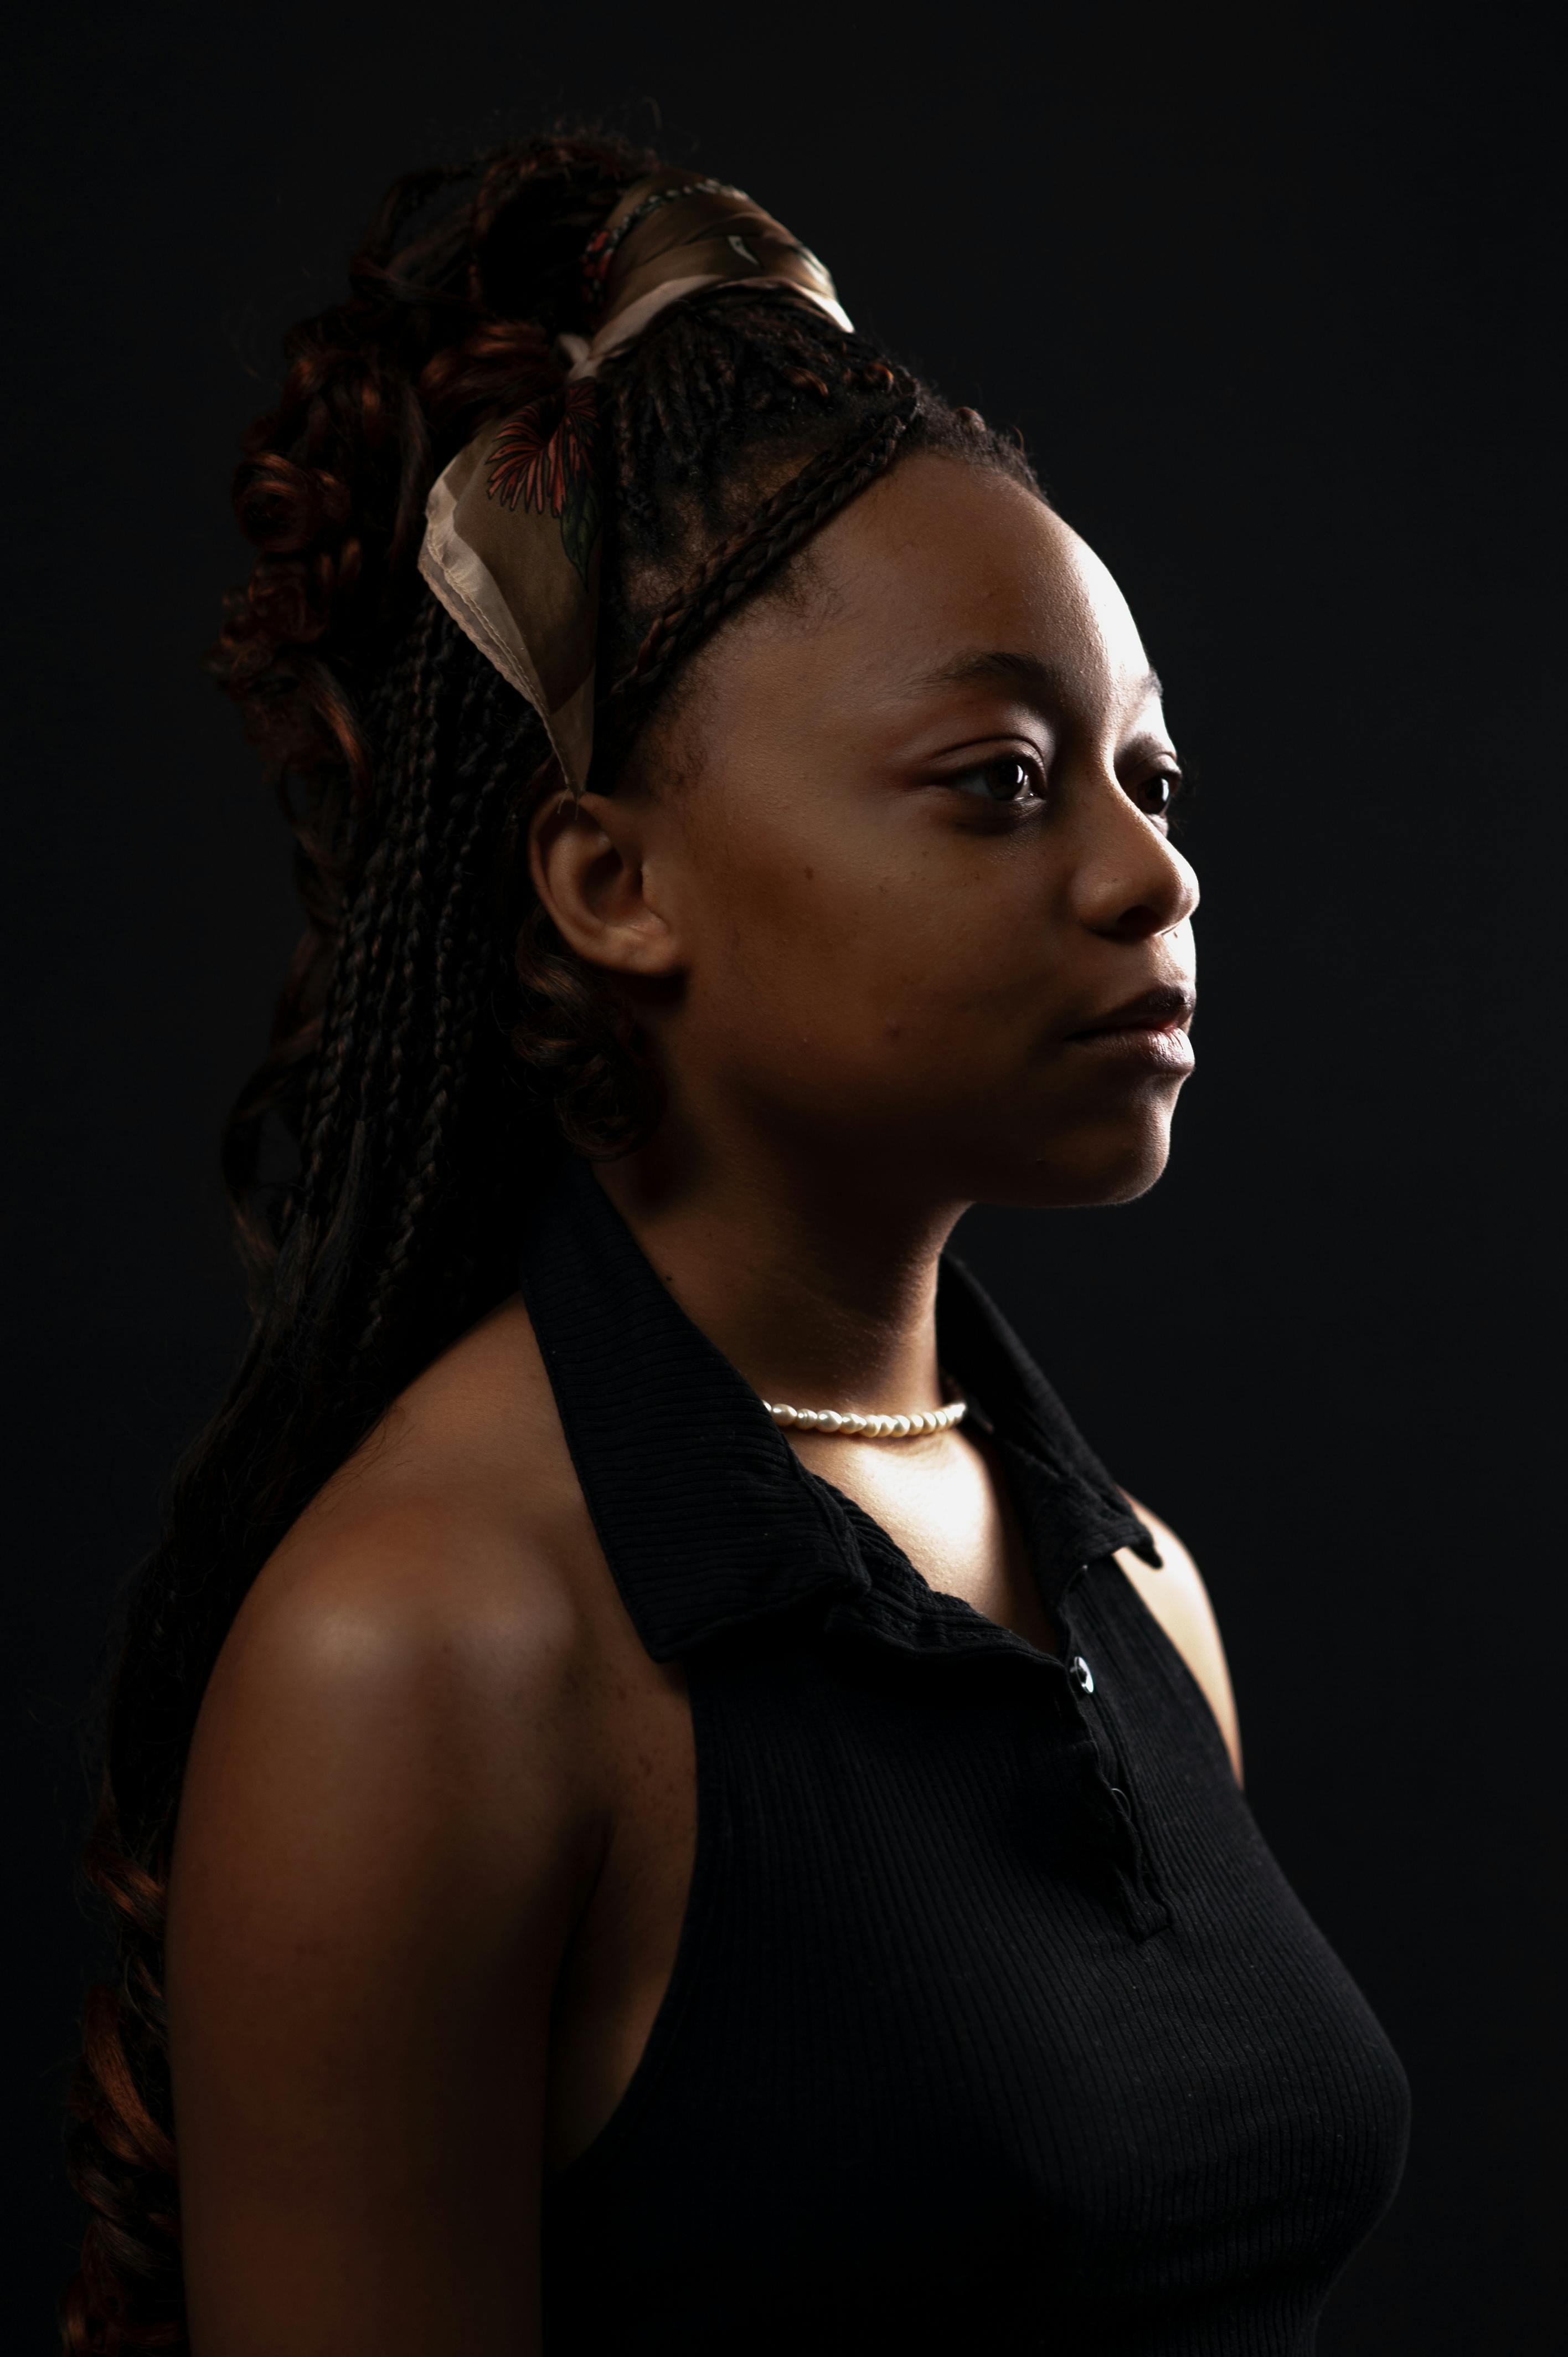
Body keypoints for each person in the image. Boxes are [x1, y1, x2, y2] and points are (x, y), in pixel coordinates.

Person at [63, 135, 1409, 2354]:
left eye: (1150, 782)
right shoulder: (423, 1651)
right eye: (998, 777)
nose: (1150, 878)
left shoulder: (1133, 1586)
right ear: (612, 883)